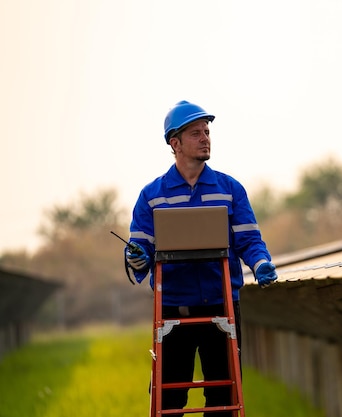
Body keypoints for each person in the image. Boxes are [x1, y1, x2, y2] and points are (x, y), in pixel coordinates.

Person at [125, 100, 278, 416]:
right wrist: (137, 255)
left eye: (207, 132)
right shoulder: (152, 195)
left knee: (223, 397)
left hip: (222, 306)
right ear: (175, 143)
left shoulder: (229, 189)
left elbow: (249, 239)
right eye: (196, 133)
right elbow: (138, 251)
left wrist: (261, 263)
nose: (205, 138)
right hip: (171, 311)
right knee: (170, 400)